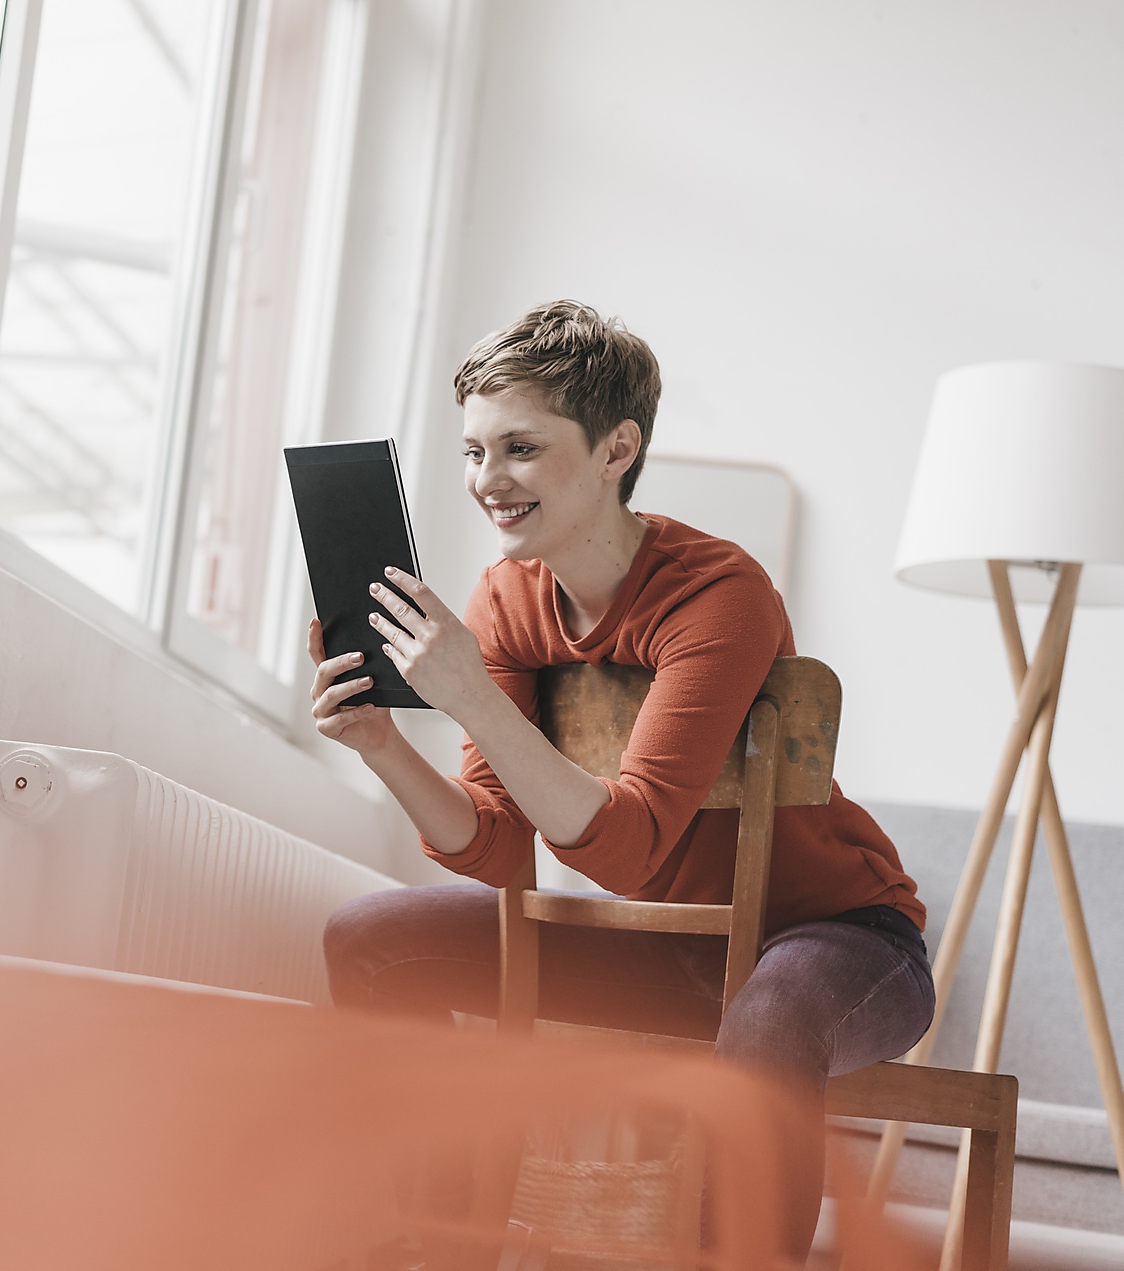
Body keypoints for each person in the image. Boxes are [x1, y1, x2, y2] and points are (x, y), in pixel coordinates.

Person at [313, 300, 934, 1253]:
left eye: (520, 447)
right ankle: (439, 1236)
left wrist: (473, 699)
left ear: (616, 449)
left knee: (768, 1017)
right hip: (659, 947)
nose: (489, 480)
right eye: (474, 451)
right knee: (368, 937)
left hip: (834, 941)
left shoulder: (720, 594)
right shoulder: (506, 599)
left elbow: (632, 846)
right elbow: (498, 845)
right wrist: (383, 745)